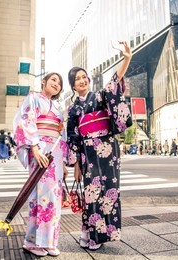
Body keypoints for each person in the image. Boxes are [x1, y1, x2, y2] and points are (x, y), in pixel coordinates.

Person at [66, 41, 132, 250]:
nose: (82, 80)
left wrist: (127, 58)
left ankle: (98, 236)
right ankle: (89, 234)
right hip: (87, 152)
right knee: (91, 192)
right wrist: (76, 164)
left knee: (109, 191)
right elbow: (73, 137)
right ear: (73, 85)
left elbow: (114, 82)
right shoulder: (73, 109)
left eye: (84, 77)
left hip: (107, 149)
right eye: (77, 79)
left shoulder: (99, 96)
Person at [13, 72, 68, 257]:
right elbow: (25, 121)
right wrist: (34, 148)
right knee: (39, 195)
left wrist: (65, 162)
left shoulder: (58, 108)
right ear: (44, 81)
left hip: (55, 152)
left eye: (59, 83)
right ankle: (32, 241)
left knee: (54, 197)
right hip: (40, 149)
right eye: (53, 79)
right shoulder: (33, 98)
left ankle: (50, 241)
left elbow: (62, 134)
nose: (56, 84)